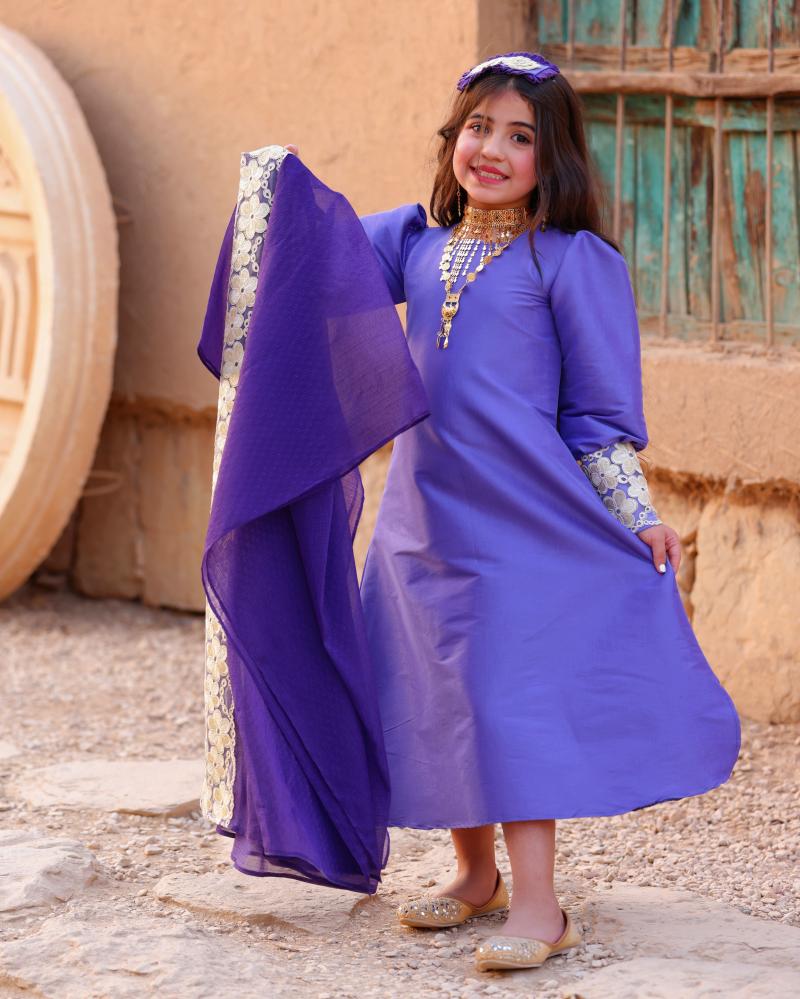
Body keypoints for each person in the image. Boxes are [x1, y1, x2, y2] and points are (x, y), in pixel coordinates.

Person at [285, 51, 740, 974]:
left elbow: (598, 416)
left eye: (520, 136)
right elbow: (314, 257)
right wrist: (269, 186)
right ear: (452, 139)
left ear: (553, 156)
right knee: (437, 691)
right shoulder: (415, 246)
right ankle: (474, 874)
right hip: (420, 522)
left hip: (522, 525)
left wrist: (635, 512)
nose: (491, 149)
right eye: (477, 127)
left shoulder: (570, 262)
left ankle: (542, 903)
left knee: (508, 701)